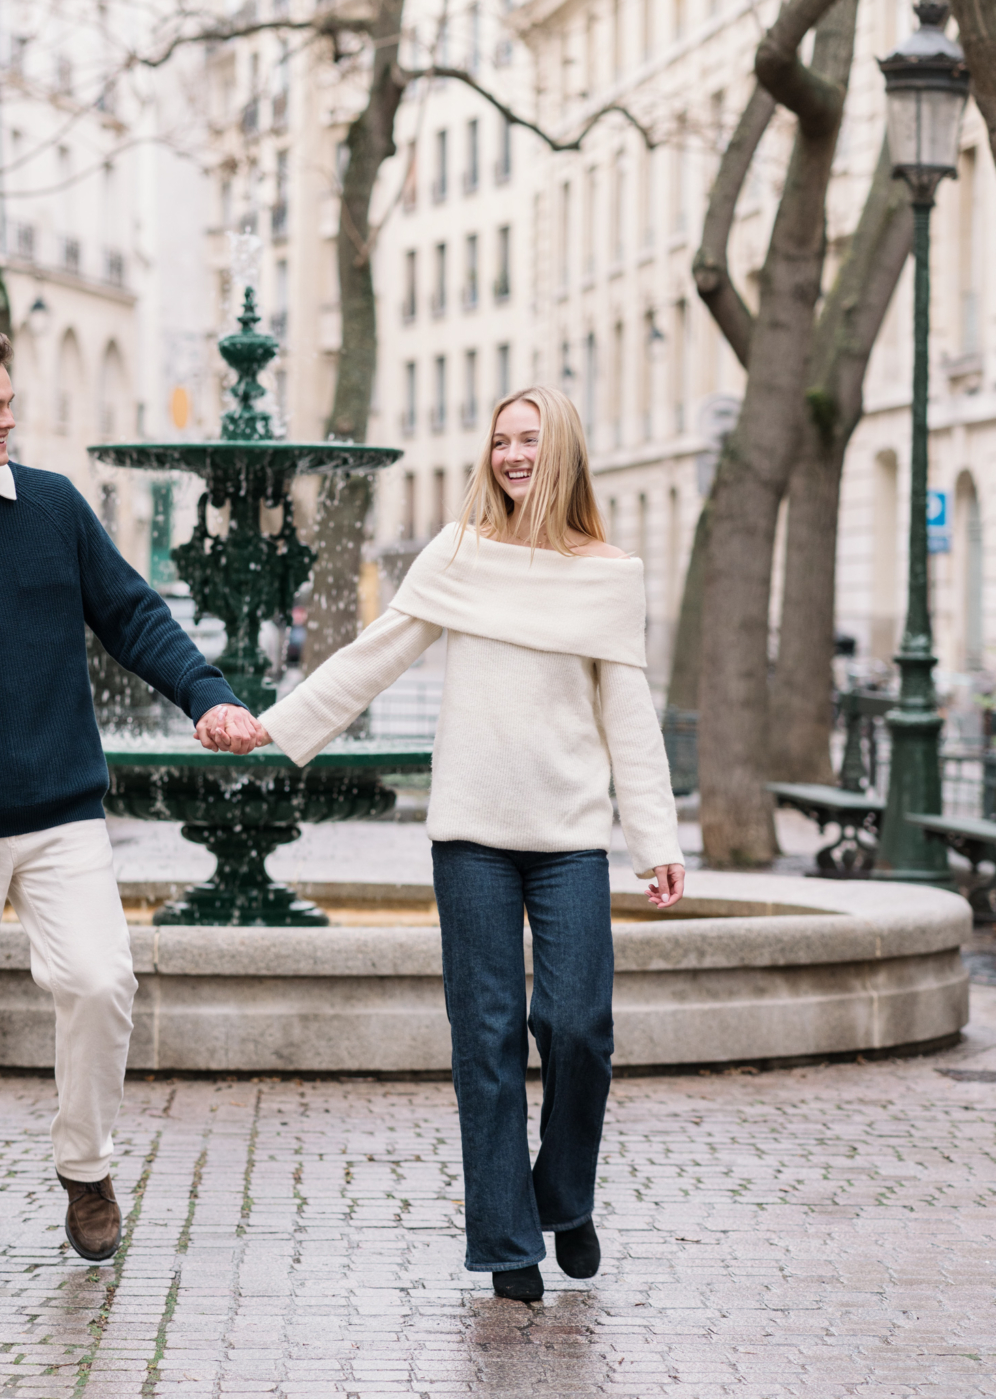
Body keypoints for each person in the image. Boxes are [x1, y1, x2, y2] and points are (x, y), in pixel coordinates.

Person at [0, 328, 266, 1293]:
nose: (9, 421)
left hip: (61, 809)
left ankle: (86, 1166)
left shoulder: (54, 505)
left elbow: (134, 612)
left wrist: (208, 695)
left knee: (101, 983)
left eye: (10, 402)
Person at [254, 386, 686, 1304]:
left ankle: (564, 1199)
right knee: (483, 1039)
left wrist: (655, 841)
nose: (512, 454)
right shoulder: (456, 555)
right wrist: (277, 726)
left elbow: (630, 716)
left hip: (569, 836)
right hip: (470, 836)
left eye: (529, 439)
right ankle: (505, 1243)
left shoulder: (609, 572)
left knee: (578, 1030)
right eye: (500, 440)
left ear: (561, 447)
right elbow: (376, 652)